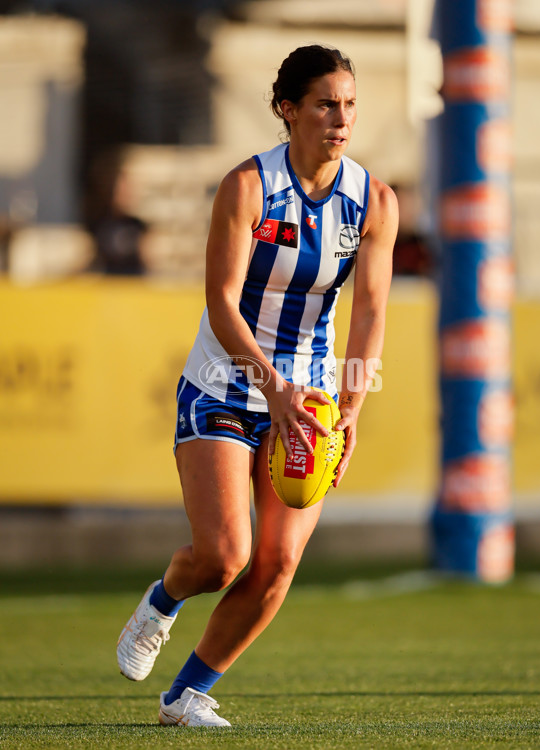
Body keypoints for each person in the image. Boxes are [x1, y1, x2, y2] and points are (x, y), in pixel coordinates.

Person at [117, 43, 398, 728]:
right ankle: (162, 601)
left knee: (275, 566)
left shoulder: (373, 202)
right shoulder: (248, 187)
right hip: (225, 380)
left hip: (306, 400)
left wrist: (352, 408)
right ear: (288, 109)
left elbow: (369, 312)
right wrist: (271, 386)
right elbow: (220, 300)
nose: (341, 118)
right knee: (223, 557)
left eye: (350, 104)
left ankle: (184, 697)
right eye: (326, 103)